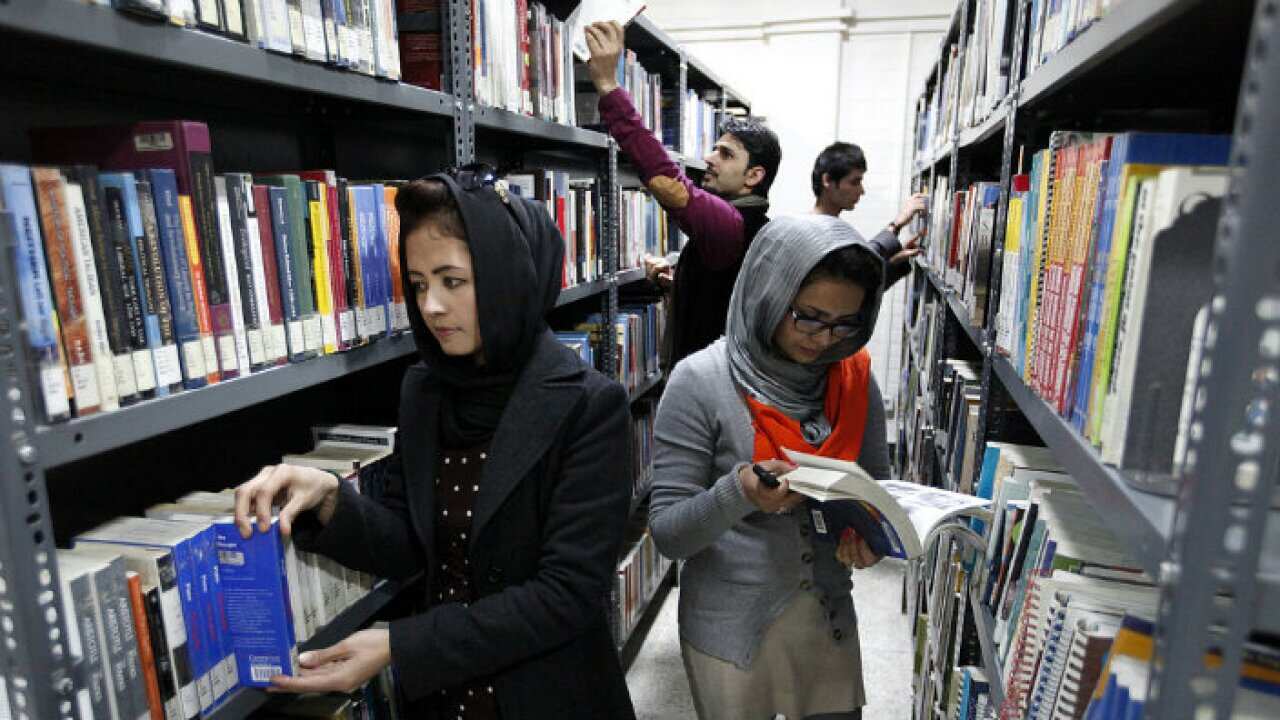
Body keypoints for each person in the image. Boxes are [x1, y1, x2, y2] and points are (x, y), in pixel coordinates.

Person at [232, 171, 636, 719]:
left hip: (545, 694)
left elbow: (568, 594)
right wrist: (329, 497)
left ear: (506, 279)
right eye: (419, 285)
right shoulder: (426, 390)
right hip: (444, 697)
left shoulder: (590, 405)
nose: (432, 307)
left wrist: (402, 646)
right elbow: (413, 544)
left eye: (453, 281)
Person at [649, 214, 890, 720]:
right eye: (808, 316)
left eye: (846, 323)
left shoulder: (855, 380)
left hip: (827, 618)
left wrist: (870, 540)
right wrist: (738, 493)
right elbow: (669, 534)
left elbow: (873, 495)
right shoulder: (701, 381)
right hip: (730, 628)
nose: (825, 339)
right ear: (768, 293)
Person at [585, 21, 782, 370]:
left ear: (754, 176)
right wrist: (678, 284)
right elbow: (725, 297)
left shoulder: (732, 224)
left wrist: (607, 85)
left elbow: (665, 178)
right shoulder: (752, 226)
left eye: (725, 154)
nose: (709, 158)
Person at [811, 141, 928, 287]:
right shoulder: (815, 234)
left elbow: (856, 285)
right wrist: (896, 224)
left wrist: (893, 261)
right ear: (827, 180)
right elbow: (855, 274)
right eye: (855, 182)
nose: (861, 191)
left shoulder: (831, 229)